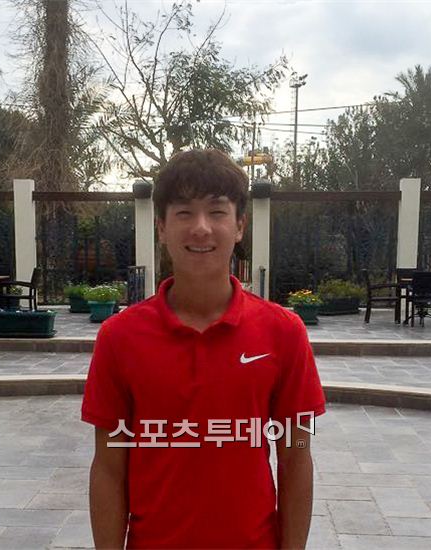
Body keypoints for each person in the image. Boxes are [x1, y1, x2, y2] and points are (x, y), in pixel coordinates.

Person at [82, 149, 326, 549]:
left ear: (240, 225)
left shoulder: (283, 333)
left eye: (216, 212)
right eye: (184, 212)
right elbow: (109, 467)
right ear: (161, 227)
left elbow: (296, 457)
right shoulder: (119, 338)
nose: (201, 228)